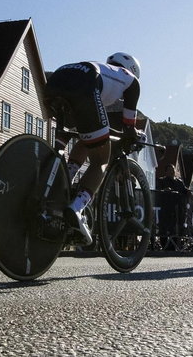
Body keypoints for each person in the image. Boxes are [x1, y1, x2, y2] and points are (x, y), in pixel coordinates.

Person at [43, 52, 142, 246]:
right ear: (132, 70)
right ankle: (77, 208)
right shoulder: (131, 81)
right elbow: (129, 126)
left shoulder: (104, 70)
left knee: (87, 138)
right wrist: (134, 134)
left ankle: (64, 178)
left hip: (56, 79)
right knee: (101, 160)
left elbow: (89, 128)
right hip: (85, 85)